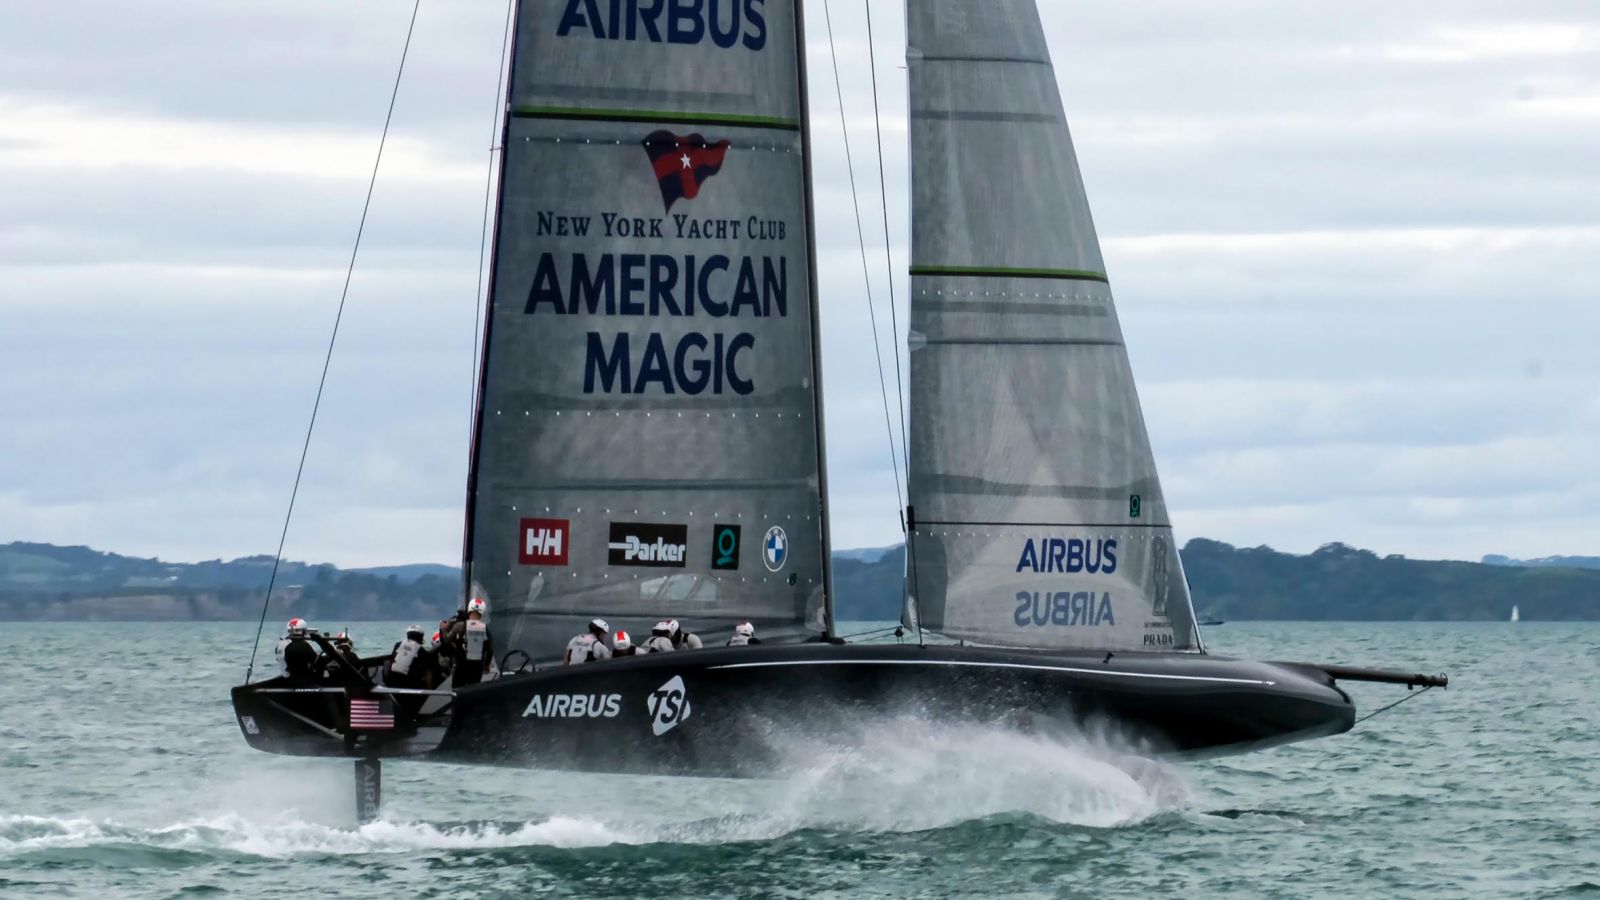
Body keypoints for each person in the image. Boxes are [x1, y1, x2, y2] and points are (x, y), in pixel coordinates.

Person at [446, 598, 495, 686]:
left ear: (469, 609)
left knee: (457, 691)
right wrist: (486, 665)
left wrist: (443, 629)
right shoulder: (486, 629)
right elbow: (490, 650)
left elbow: (447, 640)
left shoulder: (459, 626)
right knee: (472, 691)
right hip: (477, 667)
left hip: (461, 667)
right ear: (482, 612)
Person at [275, 617, 318, 681]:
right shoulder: (302, 645)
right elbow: (315, 661)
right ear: (303, 631)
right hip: (301, 679)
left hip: (286, 677)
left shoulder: (280, 644)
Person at [385, 624, 427, 688]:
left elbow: (392, 660)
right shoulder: (422, 651)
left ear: (408, 635)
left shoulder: (398, 645)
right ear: (421, 637)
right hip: (410, 685)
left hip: (391, 683)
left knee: (386, 662)